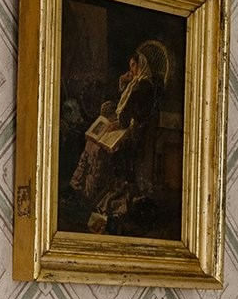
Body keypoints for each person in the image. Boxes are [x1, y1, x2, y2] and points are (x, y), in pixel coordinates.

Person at [67, 39, 171, 234]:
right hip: (124, 125)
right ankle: (79, 187)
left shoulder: (144, 87)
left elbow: (133, 113)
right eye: (130, 66)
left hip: (134, 132)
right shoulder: (135, 85)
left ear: (142, 66)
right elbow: (123, 105)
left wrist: (117, 123)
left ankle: (90, 193)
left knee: (98, 148)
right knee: (91, 143)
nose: (131, 69)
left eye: (134, 66)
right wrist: (124, 84)